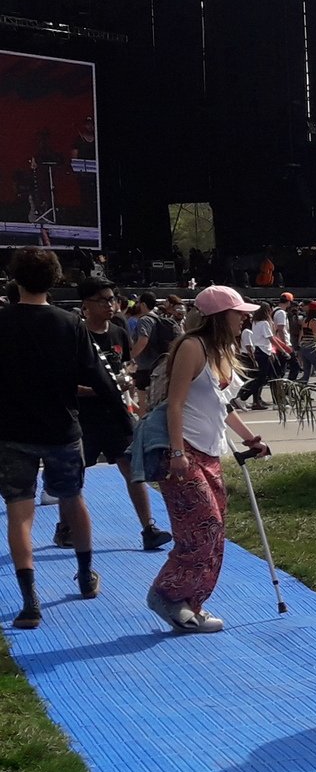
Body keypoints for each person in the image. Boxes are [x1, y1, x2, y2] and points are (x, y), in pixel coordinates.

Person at [0, 248, 132, 629]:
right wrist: (122, 416)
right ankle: (86, 576)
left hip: (11, 432)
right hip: (61, 428)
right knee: (73, 499)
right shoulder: (69, 324)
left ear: (15, 279)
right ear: (57, 280)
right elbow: (97, 376)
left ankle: (30, 601)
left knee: (19, 512)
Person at [146, 285, 269, 633]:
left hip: (211, 452)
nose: (245, 317)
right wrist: (176, 452)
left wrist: (250, 439)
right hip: (185, 453)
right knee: (203, 529)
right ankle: (166, 594)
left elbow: (222, 405)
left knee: (215, 534)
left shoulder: (221, 351)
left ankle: (190, 603)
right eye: (238, 312)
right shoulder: (192, 347)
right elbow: (175, 403)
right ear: (219, 316)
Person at [70, 278, 171, 553]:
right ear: (85, 305)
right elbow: (63, 380)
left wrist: (125, 379)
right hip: (84, 417)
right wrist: (96, 390)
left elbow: (128, 362)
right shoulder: (75, 335)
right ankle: (66, 524)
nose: (110, 304)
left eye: (113, 299)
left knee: (132, 468)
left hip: (117, 414)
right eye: (103, 300)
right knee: (75, 474)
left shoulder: (119, 331)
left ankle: (149, 527)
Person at [296, 299, 316, 390]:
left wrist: (300, 346)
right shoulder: (315, 321)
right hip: (312, 347)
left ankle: (301, 390)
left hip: (304, 346)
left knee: (307, 372)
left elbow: (302, 333)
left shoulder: (305, 320)